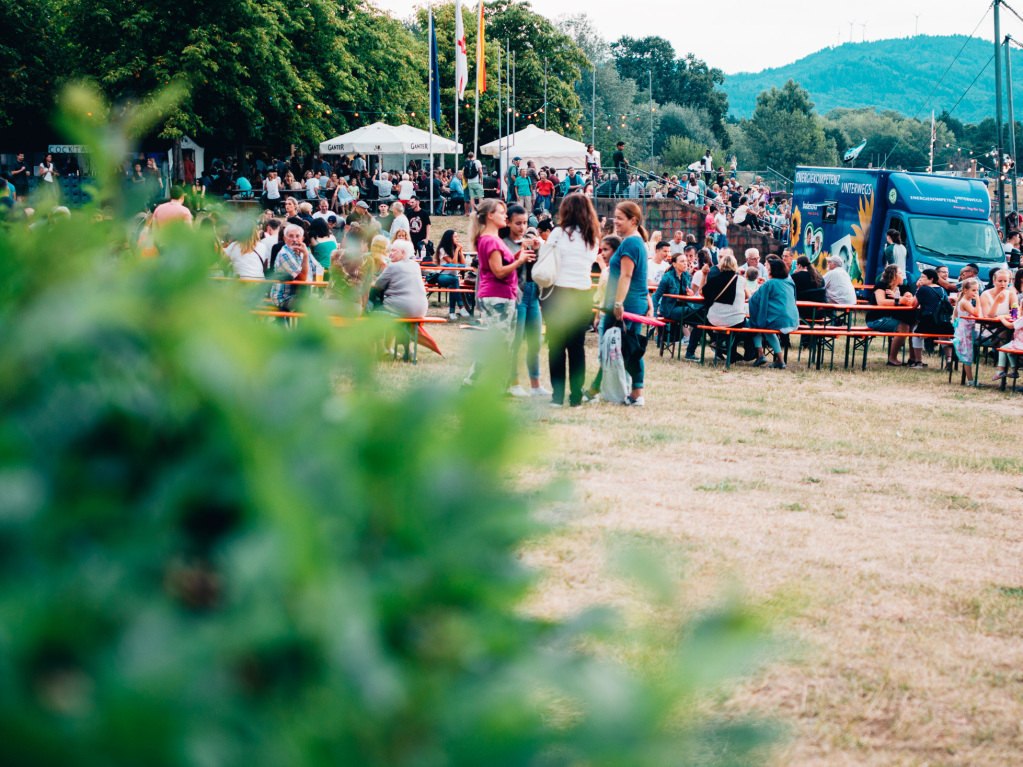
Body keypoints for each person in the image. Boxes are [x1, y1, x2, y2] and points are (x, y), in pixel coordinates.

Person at [586, 201, 652, 406]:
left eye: (620, 218)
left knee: (618, 348)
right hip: (633, 302)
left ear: (633, 220)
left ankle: (601, 390)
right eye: (615, 217)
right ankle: (629, 392)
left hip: (627, 304)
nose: (616, 221)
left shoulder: (631, 242)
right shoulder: (635, 241)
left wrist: (617, 304)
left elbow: (626, 275)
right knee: (623, 348)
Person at [539, 193, 601, 407]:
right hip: (583, 294)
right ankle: (575, 396)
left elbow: (545, 255)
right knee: (577, 348)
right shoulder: (592, 236)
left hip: (558, 292)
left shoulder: (557, 233)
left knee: (556, 346)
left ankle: (557, 396)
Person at [464, 200, 533, 386]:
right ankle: (478, 382)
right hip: (498, 296)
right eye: (502, 213)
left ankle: (483, 382)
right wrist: (520, 261)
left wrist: (520, 254)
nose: (505, 216)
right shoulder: (491, 240)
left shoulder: (489, 239)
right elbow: (499, 271)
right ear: (490, 216)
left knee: (502, 342)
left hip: (502, 295)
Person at [503, 205, 549, 398]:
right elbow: (503, 269)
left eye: (525, 223)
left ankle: (535, 385)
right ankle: (512, 383)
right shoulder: (504, 243)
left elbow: (540, 269)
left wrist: (538, 251)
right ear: (508, 222)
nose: (522, 227)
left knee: (535, 341)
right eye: (518, 223)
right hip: (517, 295)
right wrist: (520, 252)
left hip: (532, 294)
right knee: (515, 341)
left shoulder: (528, 242)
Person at [749, 257, 799, 369]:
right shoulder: (790, 282)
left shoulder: (769, 284)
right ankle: (777, 359)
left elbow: (754, 300)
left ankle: (762, 354)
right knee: (762, 326)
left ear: (773, 271)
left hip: (778, 320)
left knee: (755, 324)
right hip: (793, 319)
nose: (767, 271)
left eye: (769, 269)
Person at [704, 250, 750, 362]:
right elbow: (748, 297)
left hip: (714, 319)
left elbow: (703, 292)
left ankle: (719, 341)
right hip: (736, 320)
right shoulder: (741, 280)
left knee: (725, 326)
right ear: (735, 266)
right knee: (740, 327)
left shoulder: (714, 279)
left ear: (721, 266)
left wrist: (704, 275)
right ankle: (734, 357)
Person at [866, 264, 916, 366]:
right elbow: (881, 302)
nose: (903, 275)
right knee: (904, 327)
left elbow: (910, 299)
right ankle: (892, 359)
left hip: (893, 318)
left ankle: (914, 358)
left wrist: (904, 298)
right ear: (894, 275)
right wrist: (900, 300)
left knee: (913, 325)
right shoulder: (881, 286)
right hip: (876, 319)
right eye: (900, 273)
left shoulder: (903, 287)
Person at [369, 239, 428, 319]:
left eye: (393, 251)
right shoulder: (415, 265)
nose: (390, 253)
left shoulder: (393, 266)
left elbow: (378, 285)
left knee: (369, 312)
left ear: (403, 253)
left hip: (400, 308)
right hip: (421, 310)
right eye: (390, 250)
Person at [913, 268, 955, 368]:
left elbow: (913, 304)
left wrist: (918, 289)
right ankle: (949, 358)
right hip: (943, 322)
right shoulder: (942, 289)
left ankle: (918, 362)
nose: (920, 279)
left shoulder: (923, 289)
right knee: (944, 337)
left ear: (931, 279)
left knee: (916, 334)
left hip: (928, 322)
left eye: (923, 277)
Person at [268, 224, 311, 311]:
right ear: (285, 239)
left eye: (297, 236)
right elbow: (303, 278)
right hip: (284, 297)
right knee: (309, 307)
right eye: (291, 236)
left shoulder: (302, 251)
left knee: (319, 304)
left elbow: (317, 269)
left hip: (299, 295)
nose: (294, 239)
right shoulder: (284, 254)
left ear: (302, 239)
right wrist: (306, 255)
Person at [683, 249, 714, 360]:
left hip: (698, 305)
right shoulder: (713, 272)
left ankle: (691, 351)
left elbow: (693, 290)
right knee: (703, 320)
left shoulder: (698, 274)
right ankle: (717, 343)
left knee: (701, 320)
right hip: (709, 306)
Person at [435, 229, 472, 320]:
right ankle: (461, 307)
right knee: (454, 280)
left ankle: (452, 312)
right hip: (442, 276)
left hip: (453, 278)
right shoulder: (442, 250)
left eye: (457, 236)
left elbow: (464, 264)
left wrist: (460, 251)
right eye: (455, 237)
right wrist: (456, 251)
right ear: (449, 238)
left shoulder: (455, 249)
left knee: (454, 283)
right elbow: (453, 264)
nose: (457, 239)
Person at [953, 278, 982, 386]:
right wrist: (978, 301)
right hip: (965, 332)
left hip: (969, 331)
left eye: (977, 290)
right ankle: (970, 380)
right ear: (965, 290)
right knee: (967, 355)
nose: (976, 293)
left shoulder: (967, 301)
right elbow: (976, 313)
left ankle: (970, 379)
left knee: (969, 353)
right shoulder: (965, 302)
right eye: (973, 290)